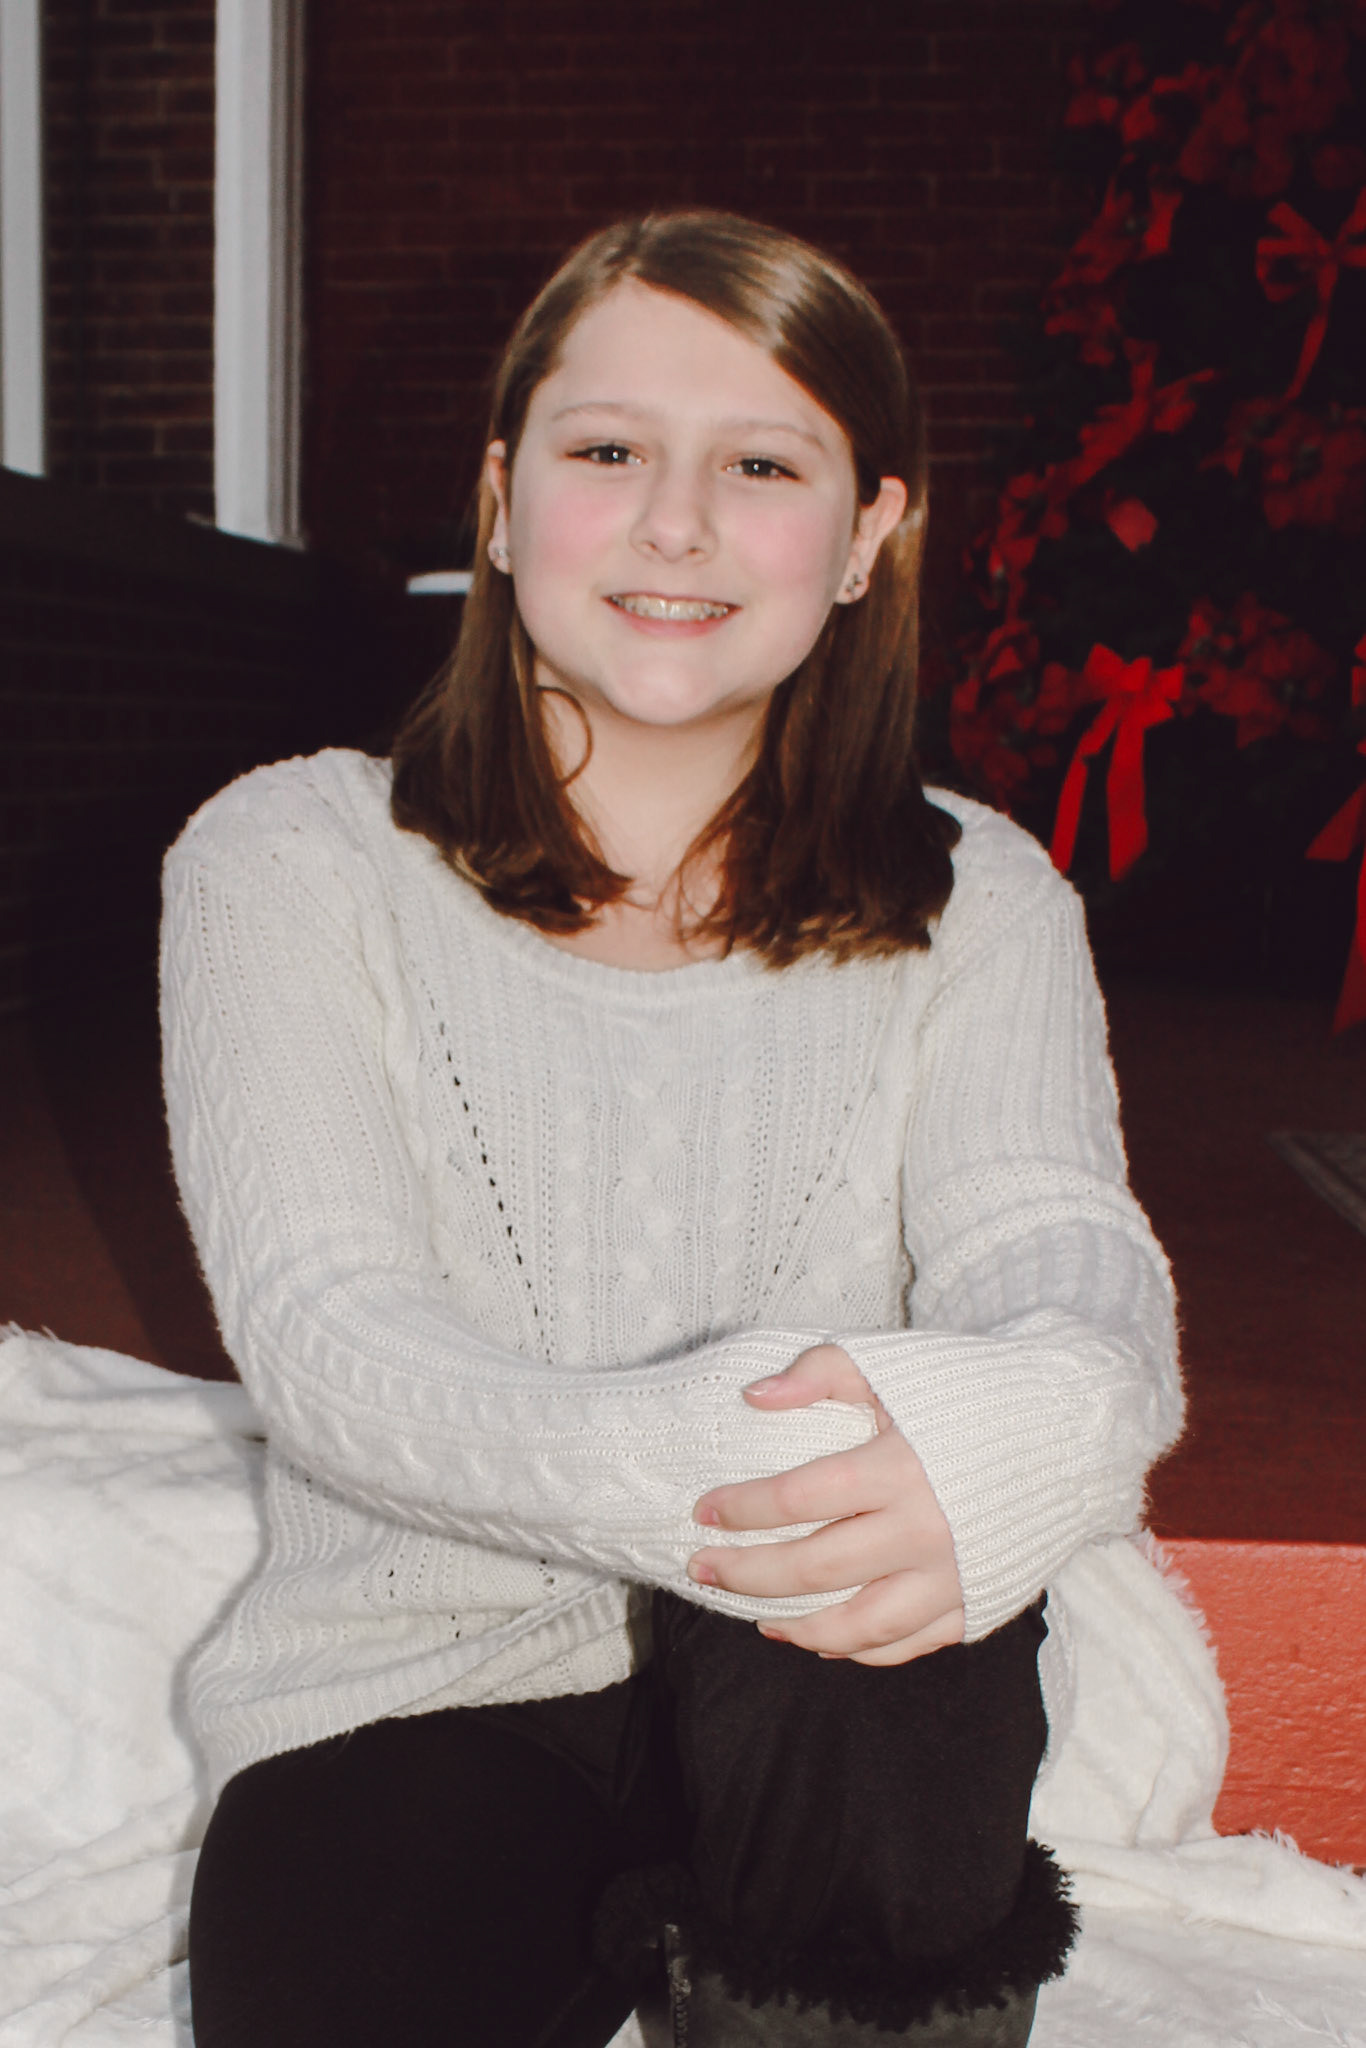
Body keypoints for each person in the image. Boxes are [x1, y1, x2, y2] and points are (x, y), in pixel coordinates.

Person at [165, 212, 1182, 2047]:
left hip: (829, 1653)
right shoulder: (293, 856)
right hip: (420, 1671)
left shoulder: (979, 892)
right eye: (610, 448)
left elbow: (1053, 1246)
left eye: (762, 465)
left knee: (885, 1571)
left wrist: (1054, 1408)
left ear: (866, 535)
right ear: (501, 501)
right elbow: (326, 1333)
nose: (677, 526)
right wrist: (723, 1451)